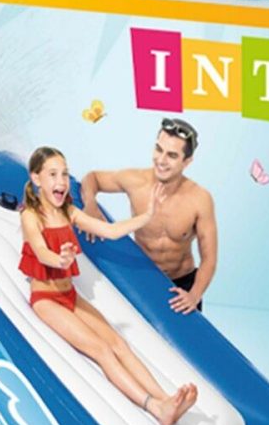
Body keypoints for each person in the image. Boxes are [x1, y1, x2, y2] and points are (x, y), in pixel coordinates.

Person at [20, 147, 197, 425]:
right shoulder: (31, 216)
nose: (61, 181)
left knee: (119, 344)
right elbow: (41, 252)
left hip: (69, 295)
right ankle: (155, 407)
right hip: (46, 300)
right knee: (102, 350)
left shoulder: (68, 211)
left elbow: (110, 231)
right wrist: (60, 259)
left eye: (64, 174)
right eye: (53, 174)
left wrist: (147, 216)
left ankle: (166, 399)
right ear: (36, 178)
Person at [80, 118, 217, 314]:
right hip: (143, 278)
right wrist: (90, 204)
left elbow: (209, 258)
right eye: (158, 149)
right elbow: (92, 178)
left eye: (172, 155)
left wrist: (194, 295)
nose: (161, 160)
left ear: (187, 162)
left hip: (182, 283)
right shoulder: (135, 181)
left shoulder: (200, 199)